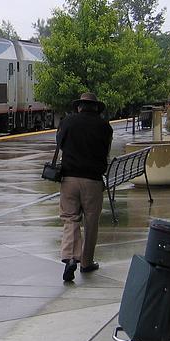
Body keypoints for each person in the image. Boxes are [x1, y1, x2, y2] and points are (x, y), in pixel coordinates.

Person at [55, 92, 112, 282]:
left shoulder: (68, 122)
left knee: (71, 218)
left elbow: (59, 144)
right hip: (93, 180)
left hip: (69, 178)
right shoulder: (105, 126)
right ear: (96, 107)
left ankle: (71, 257)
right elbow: (105, 151)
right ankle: (86, 262)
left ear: (79, 106)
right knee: (91, 222)